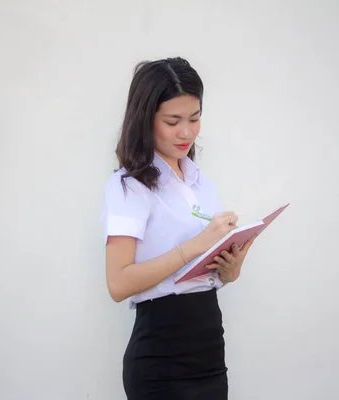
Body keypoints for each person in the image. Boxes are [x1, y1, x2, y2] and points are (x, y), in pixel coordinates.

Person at [101, 57, 258, 400]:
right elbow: (118, 284)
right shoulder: (129, 187)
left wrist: (230, 269)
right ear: (146, 119)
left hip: (209, 349)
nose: (186, 132)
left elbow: (210, 275)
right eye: (173, 121)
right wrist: (198, 244)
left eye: (195, 118)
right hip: (161, 357)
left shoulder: (202, 183)